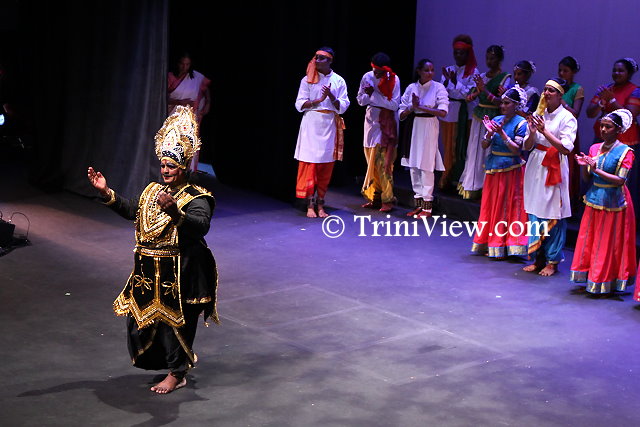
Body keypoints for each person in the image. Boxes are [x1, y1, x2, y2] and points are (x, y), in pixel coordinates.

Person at [87, 105, 219, 394]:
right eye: (163, 165)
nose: (165, 170)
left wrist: (176, 214)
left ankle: (177, 373)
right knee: (141, 322)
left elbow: (200, 226)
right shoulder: (151, 191)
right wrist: (106, 192)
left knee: (177, 325)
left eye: (171, 166)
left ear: (183, 167)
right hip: (148, 271)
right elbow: (132, 211)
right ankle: (169, 364)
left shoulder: (197, 197)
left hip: (180, 272)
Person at [571, 109, 636, 297]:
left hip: (614, 201)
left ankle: (604, 280)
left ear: (618, 130)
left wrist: (595, 169)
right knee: (589, 239)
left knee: (607, 242)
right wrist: (584, 167)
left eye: (608, 127)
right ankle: (589, 277)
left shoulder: (625, 152)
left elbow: (620, 180)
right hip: (594, 197)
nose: (603, 130)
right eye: (602, 126)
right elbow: (587, 178)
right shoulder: (594, 148)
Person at [522, 78, 577, 276]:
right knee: (535, 210)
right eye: (545, 89)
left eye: (551, 90)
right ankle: (538, 258)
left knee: (552, 212)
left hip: (554, 166)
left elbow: (566, 148)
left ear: (561, 95)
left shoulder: (567, 118)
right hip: (536, 163)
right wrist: (532, 132)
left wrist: (544, 131)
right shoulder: (539, 114)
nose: (546, 93)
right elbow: (527, 146)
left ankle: (552, 261)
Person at [471, 86, 529, 259]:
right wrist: (489, 134)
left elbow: (517, 150)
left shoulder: (521, 123)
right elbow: (484, 145)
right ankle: (490, 241)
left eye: (507, 103)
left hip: (511, 169)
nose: (502, 106)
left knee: (507, 205)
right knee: (491, 205)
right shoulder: (496, 119)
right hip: (493, 166)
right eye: (502, 102)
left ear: (516, 105)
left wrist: (502, 133)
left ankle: (505, 244)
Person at [294, 46, 350, 218]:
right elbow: (299, 103)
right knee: (310, 165)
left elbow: (344, 105)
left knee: (325, 166)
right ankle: (310, 205)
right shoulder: (307, 79)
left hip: (329, 125)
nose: (317, 60)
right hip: (311, 124)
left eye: (321, 58)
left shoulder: (338, 80)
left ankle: (321, 204)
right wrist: (318, 100)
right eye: (316, 57)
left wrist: (331, 97)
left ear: (330, 61)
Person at [586, 57, 640, 219]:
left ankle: (620, 218)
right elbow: (590, 113)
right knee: (596, 175)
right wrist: (600, 104)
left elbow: (629, 115)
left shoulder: (635, 91)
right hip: (602, 139)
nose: (616, 73)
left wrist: (612, 100)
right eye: (614, 70)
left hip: (625, 142)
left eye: (621, 71)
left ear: (629, 73)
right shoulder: (607, 89)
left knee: (621, 180)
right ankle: (595, 212)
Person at [458, 45, 511, 199]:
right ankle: (472, 184)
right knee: (474, 150)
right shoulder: (482, 76)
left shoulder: (505, 78)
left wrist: (484, 90)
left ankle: (486, 187)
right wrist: (475, 93)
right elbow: (469, 97)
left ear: (499, 59)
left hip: (493, 119)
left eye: (492, 58)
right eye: (487, 58)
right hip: (478, 117)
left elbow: (501, 102)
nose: (489, 61)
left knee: (488, 152)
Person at [399, 58, 449, 218]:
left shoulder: (438, 87)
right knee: (413, 164)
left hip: (429, 126)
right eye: (427, 70)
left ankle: (427, 205)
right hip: (414, 125)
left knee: (426, 164)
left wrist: (420, 107)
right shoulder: (411, 88)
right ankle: (418, 203)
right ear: (419, 71)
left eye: (432, 70)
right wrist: (412, 107)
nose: (430, 73)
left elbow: (443, 112)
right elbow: (401, 113)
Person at [356, 52, 401, 212]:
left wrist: (373, 94)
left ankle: (387, 199)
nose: (375, 74)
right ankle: (375, 197)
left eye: (379, 72)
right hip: (371, 121)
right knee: (371, 161)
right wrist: (368, 95)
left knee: (384, 162)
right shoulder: (367, 77)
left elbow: (394, 104)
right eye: (374, 70)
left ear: (386, 70)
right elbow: (360, 101)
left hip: (387, 123)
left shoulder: (394, 80)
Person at [439, 34, 478, 189]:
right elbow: (443, 91)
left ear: (468, 54)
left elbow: (468, 94)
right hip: (450, 114)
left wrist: (456, 83)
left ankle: (461, 181)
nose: (458, 56)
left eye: (461, 53)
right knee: (448, 148)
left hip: (465, 115)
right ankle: (447, 179)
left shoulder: (473, 72)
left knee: (462, 148)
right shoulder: (448, 70)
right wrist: (448, 83)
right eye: (456, 52)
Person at [167, 52, 211, 172]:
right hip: (172, 117)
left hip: (190, 117)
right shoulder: (170, 77)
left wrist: (207, 103)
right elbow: (162, 97)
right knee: (173, 143)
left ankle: (187, 172)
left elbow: (206, 90)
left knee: (188, 144)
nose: (184, 67)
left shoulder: (195, 77)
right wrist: (179, 102)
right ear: (177, 63)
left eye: (187, 64)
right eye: (182, 64)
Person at [558, 56, 585, 207]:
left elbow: (576, 113)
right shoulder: (555, 86)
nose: (562, 73)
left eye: (565, 71)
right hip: (554, 129)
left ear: (573, 72)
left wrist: (562, 103)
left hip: (568, 130)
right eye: (560, 70)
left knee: (567, 166)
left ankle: (566, 202)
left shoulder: (577, 89)